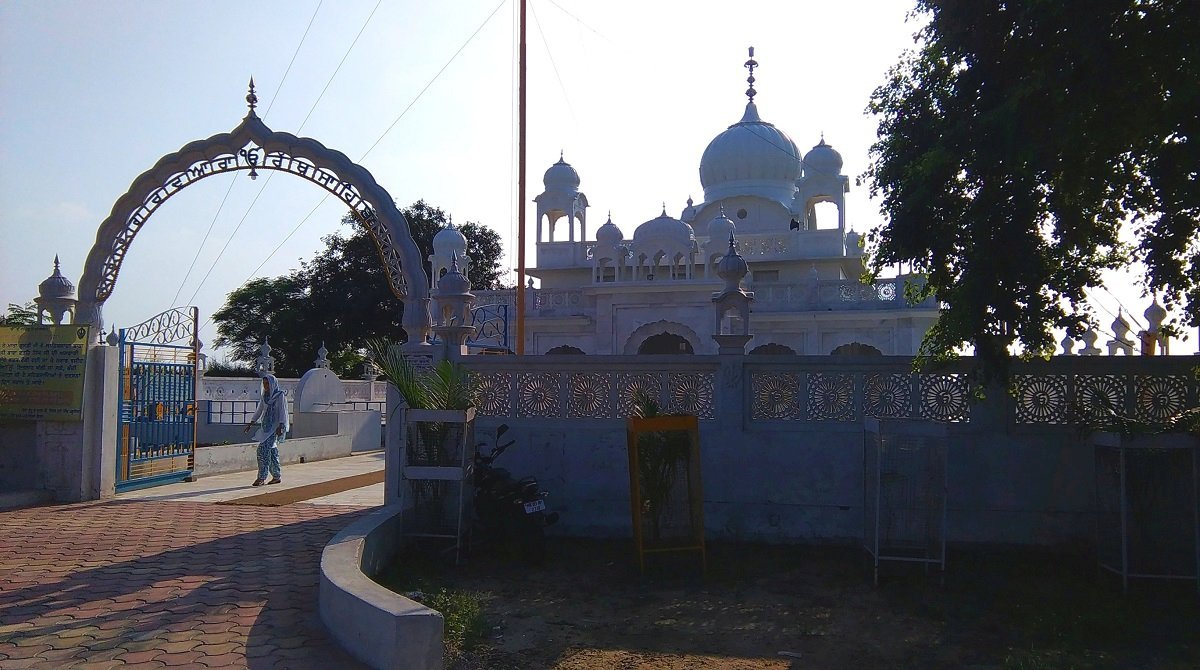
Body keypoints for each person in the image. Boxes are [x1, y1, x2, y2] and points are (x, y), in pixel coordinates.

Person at [243, 373, 289, 486]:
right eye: (264, 383)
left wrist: (281, 426)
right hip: (265, 427)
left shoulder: (279, 395)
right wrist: (251, 422)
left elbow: (283, 411)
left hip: (275, 428)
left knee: (262, 450)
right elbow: (260, 410)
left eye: (267, 383)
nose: (266, 386)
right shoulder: (265, 396)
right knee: (272, 452)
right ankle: (276, 476)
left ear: (272, 383)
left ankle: (261, 477)